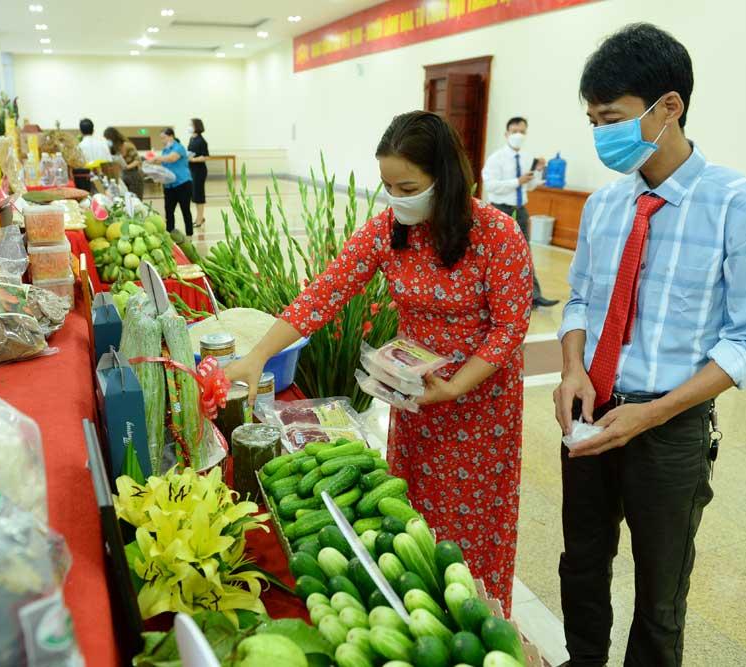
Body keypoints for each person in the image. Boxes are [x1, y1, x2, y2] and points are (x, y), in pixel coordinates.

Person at [553, 23, 746, 667]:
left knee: (661, 592)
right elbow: (580, 300)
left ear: (669, 107)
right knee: (580, 564)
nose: (603, 134)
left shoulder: (740, 206)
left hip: (670, 429)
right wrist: (574, 368)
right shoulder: (606, 205)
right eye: (594, 120)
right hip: (590, 412)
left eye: (614, 118)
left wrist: (653, 412)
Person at [227, 111, 533, 612]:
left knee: (472, 529)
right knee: (408, 516)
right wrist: (259, 355)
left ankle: (480, 620)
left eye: (407, 185)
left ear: (446, 176)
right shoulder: (390, 229)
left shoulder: (497, 235)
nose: (395, 197)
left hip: (481, 408)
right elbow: (325, 292)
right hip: (415, 397)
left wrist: (456, 387)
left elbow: (509, 329)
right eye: (387, 185)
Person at [482, 117, 558, 308]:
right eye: (515, 131)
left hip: (520, 210)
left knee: (525, 253)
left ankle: (534, 296)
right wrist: (517, 181)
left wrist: (538, 171)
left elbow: (530, 186)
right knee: (498, 256)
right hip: (500, 210)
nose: (518, 135)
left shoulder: (526, 157)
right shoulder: (496, 158)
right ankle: (496, 298)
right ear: (506, 134)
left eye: (522, 132)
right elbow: (490, 185)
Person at [149, 128, 194, 238]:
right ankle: (170, 234)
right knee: (169, 211)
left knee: (185, 210)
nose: (162, 140)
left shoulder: (179, 147)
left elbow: (171, 159)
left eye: (163, 138)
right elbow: (162, 162)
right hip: (169, 185)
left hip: (182, 183)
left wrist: (156, 158)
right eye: (161, 138)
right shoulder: (165, 150)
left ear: (171, 136)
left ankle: (189, 234)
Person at [103, 127, 144, 199]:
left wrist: (127, 167)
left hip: (134, 175)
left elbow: (137, 160)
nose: (107, 141)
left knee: (135, 199)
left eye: (107, 139)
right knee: (125, 199)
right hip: (123, 175)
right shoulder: (113, 149)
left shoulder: (127, 145)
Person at [187, 118, 210, 228]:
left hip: (199, 171)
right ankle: (199, 217)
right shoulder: (192, 139)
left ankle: (200, 219)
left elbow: (205, 156)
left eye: (191, 124)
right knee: (195, 195)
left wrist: (193, 160)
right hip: (192, 170)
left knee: (199, 195)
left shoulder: (202, 141)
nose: (189, 126)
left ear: (197, 126)